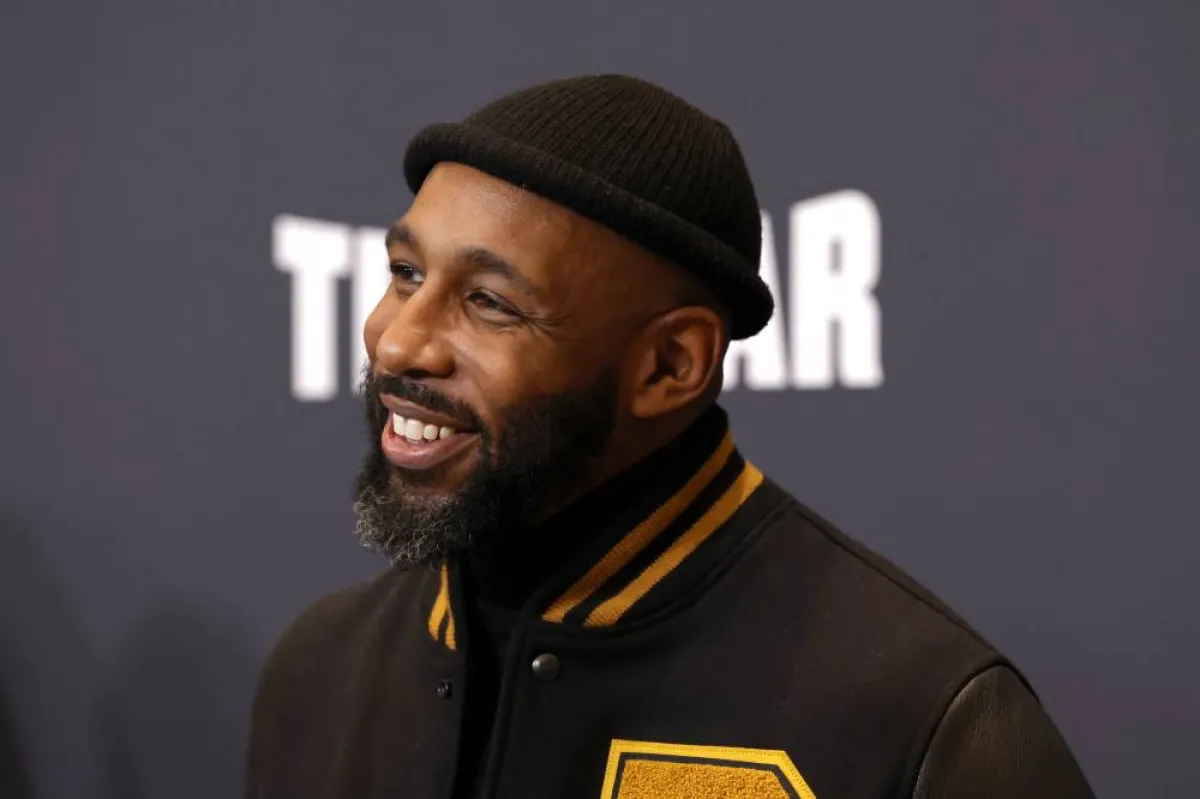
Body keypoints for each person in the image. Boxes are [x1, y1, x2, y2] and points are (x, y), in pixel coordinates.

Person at [245, 74, 1094, 799]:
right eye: (406, 273)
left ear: (670, 365)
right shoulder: (320, 671)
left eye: (489, 302)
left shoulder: (924, 716)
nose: (397, 341)